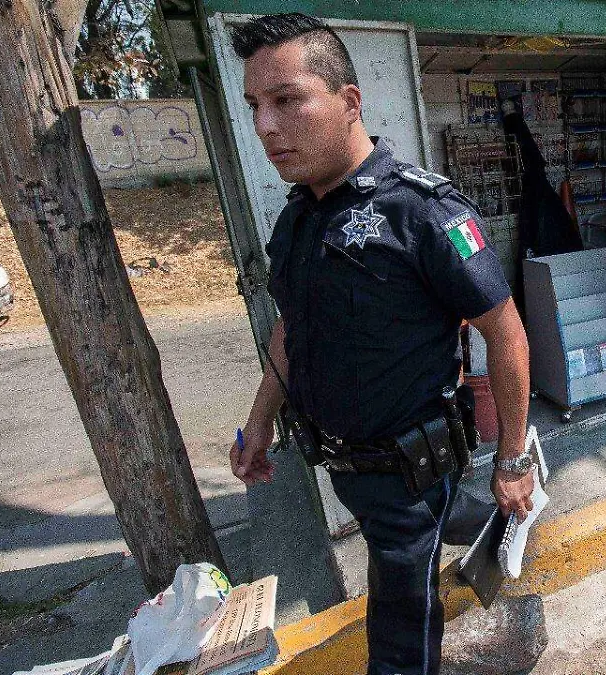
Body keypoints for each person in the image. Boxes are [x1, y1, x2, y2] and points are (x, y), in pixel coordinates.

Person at [225, 14, 534, 675]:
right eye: (255, 105)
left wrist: (512, 460)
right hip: (344, 468)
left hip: (408, 475)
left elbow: (505, 331)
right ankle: (486, 519)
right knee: (433, 521)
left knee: (398, 644)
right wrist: (258, 421)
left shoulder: (424, 211)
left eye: (286, 99)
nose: (265, 126)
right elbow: (291, 327)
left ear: (349, 102)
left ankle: (477, 510)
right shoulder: (298, 217)